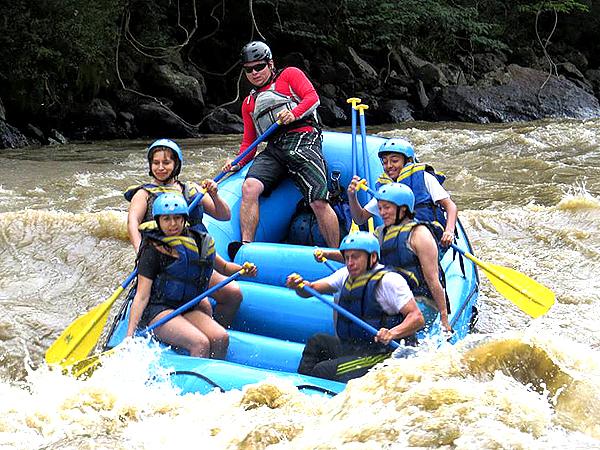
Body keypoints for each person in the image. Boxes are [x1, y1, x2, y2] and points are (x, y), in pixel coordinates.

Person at [223, 41, 339, 253]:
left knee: (318, 200)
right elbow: (249, 142)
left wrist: (294, 113)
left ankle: (338, 252)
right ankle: (246, 248)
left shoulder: (289, 75)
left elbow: (312, 98)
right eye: (249, 70)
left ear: (270, 64)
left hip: (303, 137)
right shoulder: (248, 103)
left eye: (259, 67)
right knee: (249, 188)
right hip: (275, 148)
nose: (255, 73)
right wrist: (237, 162)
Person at [125, 138, 240, 327]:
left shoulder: (191, 189)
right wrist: (141, 251)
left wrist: (214, 194)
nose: (160, 167)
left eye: (166, 162)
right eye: (156, 163)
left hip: (198, 255)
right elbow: (132, 223)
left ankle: (218, 331)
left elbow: (224, 215)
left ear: (176, 164)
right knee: (203, 306)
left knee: (233, 294)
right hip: (168, 261)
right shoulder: (144, 194)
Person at [126, 193, 257, 358]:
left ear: (184, 219)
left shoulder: (199, 241)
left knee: (220, 337)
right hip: (159, 310)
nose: (172, 224)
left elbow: (223, 266)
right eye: (166, 219)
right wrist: (129, 334)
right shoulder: (152, 249)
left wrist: (242, 270)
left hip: (187, 306)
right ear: (158, 221)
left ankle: (214, 376)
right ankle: (197, 382)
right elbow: (142, 295)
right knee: (200, 343)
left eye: (177, 218)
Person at [286, 232, 424, 383]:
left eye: (356, 257)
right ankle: (302, 386)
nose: (350, 262)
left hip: (384, 353)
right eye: (347, 257)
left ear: (372, 257)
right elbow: (310, 290)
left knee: (323, 370)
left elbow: (417, 318)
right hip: (355, 346)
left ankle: (317, 390)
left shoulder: (390, 281)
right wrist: (298, 286)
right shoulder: (345, 274)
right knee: (317, 342)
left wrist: (391, 333)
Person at [316, 184, 452, 333]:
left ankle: (389, 341)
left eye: (387, 208)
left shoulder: (420, 234)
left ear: (404, 209)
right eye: (380, 208)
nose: (382, 213)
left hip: (421, 301)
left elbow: (433, 279)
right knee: (345, 296)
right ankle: (346, 344)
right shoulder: (380, 233)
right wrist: (327, 254)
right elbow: (360, 258)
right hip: (393, 295)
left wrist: (444, 319)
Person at [347, 138, 458, 248]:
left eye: (394, 161)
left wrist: (449, 231)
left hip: (429, 236)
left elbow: (450, 206)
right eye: (385, 162)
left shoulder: (424, 177)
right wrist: (352, 196)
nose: (389, 166)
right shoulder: (385, 188)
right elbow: (360, 218)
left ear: (408, 161)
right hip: (400, 241)